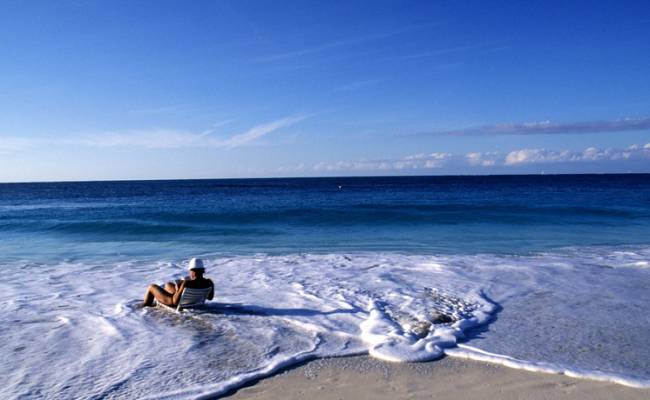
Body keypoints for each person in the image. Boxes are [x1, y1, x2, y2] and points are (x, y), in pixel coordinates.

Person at [143, 258, 214, 307]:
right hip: (193, 300)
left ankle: (145, 307)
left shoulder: (187, 283)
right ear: (203, 271)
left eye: (190, 271)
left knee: (152, 287)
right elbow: (210, 298)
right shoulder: (209, 282)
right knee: (168, 284)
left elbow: (175, 301)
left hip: (173, 302)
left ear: (193, 272)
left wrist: (178, 289)